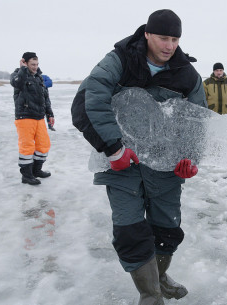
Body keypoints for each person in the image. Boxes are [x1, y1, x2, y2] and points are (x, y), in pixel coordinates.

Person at [71, 9, 207, 305]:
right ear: (147, 34)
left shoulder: (186, 74)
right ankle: (150, 295)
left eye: (175, 39)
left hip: (165, 167)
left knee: (167, 230)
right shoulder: (119, 60)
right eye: (163, 37)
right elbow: (91, 98)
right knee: (130, 232)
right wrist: (113, 148)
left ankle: (159, 278)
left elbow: (199, 122)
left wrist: (191, 158)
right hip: (123, 164)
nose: (169, 45)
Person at [10, 52, 55, 185]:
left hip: (39, 117)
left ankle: (36, 170)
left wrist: (50, 114)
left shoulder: (39, 78)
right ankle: (27, 176)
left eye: (37, 64)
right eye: (32, 64)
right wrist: (23, 69)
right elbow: (18, 84)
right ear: (24, 63)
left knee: (43, 145)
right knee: (27, 147)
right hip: (25, 117)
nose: (35, 67)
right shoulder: (17, 75)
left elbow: (45, 97)